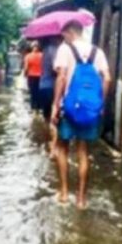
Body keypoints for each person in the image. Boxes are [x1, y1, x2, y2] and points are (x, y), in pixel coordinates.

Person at [51, 21, 111, 209]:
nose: (64, 38)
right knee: (83, 151)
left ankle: (64, 193)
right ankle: (81, 199)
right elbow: (107, 78)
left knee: (62, 148)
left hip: (69, 107)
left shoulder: (65, 49)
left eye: (64, 35)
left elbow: (61, 77)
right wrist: (99, 103)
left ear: (70, 32)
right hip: (89, 109)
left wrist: (55, 104)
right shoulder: (97, 51)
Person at [23, 42, 43, 113]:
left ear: (32, 47)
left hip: (31, 76)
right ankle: (39, 108)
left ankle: (33, 108)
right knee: (39, 92)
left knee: (32, 93)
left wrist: (24, 75)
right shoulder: (42, 55)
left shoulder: (28, 56)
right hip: (40, 76)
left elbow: (26, 67)